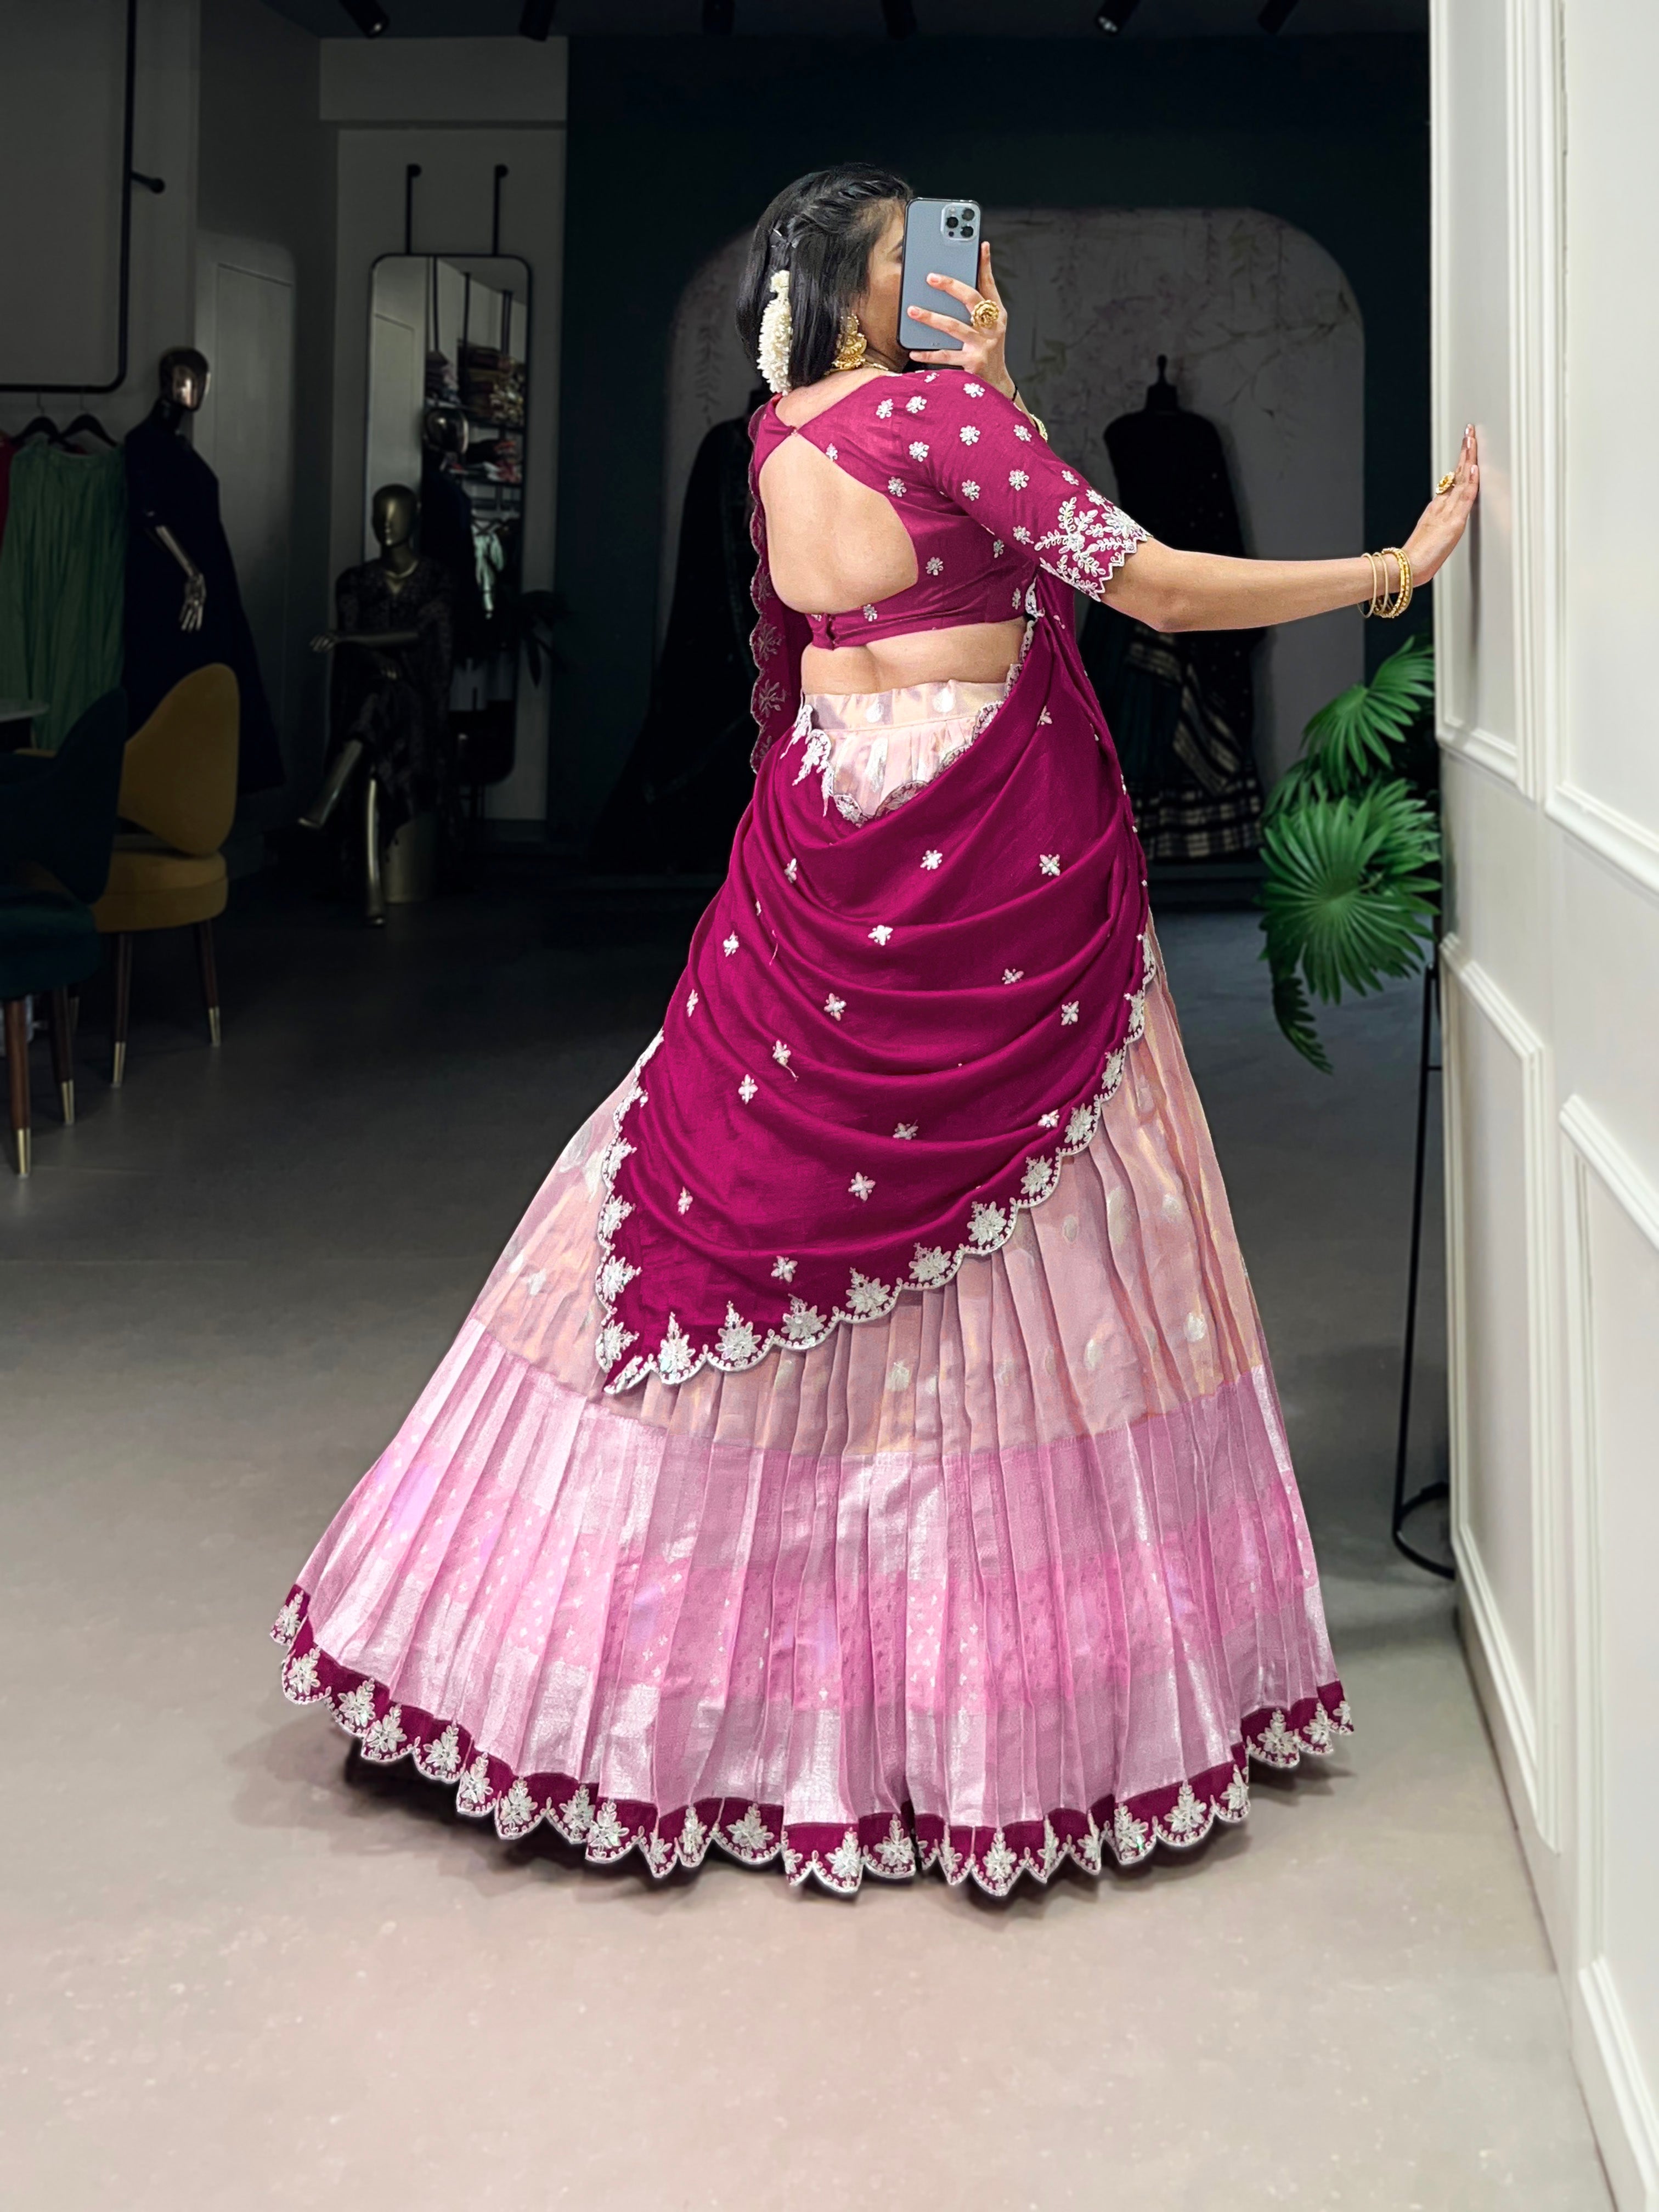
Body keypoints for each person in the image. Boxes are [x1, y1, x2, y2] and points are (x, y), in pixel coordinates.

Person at [273, 165, 1477, 1897]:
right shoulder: (941, 421)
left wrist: (1000, 386)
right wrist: (1390, 566)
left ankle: (654, 1676)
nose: (944, 283)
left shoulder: (777, 436)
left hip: (829, 829)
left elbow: (834, 630)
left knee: (723, 1186)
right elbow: (1140, 585)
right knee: (1040, 1224)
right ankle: (973, 1697)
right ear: (853, 285)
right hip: (984, 845)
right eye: (916, 261)